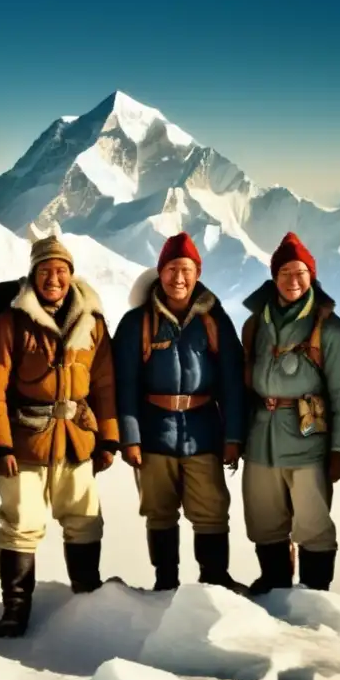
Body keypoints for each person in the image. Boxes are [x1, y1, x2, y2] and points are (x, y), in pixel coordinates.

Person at [0, 235, 119, 638]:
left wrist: (108, 438)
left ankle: (86, 596)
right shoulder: (12, 321)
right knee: (21, 522)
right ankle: (16, 608)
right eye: (45, 271)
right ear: (33, 275)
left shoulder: (92, 324)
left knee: (83, 519)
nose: (53, 278)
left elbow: (104, 383)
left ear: (71, 275)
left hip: (77, 438)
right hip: (25, 440)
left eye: (60, 270)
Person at [113, 232, 247, 592]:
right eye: (172, 269)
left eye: (186, 270)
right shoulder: (136, 323)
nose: (178, 278)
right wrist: (130, 438)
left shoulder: (214, 321)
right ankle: (165, 580)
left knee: (212, 511)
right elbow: (123, 384)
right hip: (154, 433)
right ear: (160, 272)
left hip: (204, 431)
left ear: (198, 272)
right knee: (159, 512)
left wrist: (233, 436)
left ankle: (214, 580)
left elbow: (233, 381)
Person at [240, 232, 340, 593]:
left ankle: (313, 594)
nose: (293, 281)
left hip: (309, 440)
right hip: (261, 437)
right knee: (264, 520)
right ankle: (275, 588)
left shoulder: (330, 330)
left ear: (312, 277)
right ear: (274, 277)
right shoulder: (256, 324)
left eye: (301, 273)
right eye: (286, 273)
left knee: (313, 524)